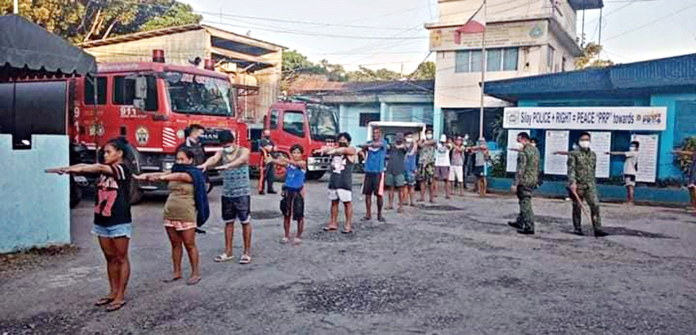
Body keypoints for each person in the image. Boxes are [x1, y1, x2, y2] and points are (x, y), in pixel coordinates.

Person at [46, 137, 133, 312]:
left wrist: (67, 168)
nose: (105, 155)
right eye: (104, 152)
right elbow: (87, 168)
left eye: (108, 152)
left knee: (121, 258)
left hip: (119, 220)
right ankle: (112, 292)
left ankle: (120, 295)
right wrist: (68, 170)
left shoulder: (122, 169)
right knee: (110, 258)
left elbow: (98, 167)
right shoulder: (103, 171)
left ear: (120, 153)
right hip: (101, 220)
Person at [134, 148, 205, 285]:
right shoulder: (173, 172)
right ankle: (176, 272)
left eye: (182, 159)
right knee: (175, 245)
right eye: (177, 159)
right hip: (170, 212)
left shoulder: (194, 174)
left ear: (190, 160)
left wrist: (160, 177)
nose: (179, 162)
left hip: (186, 214)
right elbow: (164, 173)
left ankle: (195, 273)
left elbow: (177, 177)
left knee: (189, 245)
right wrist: (144, 176)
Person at [199, 134, 254, 264]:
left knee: (245, 222)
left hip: (242, 192)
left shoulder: (243, 150)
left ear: (234, 142)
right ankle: (228, 252)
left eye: (228, 145)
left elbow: (241, 160)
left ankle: (246, 252)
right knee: (228, 222)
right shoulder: (221, 152)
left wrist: (228, 166)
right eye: (224, 145)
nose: (226, 148)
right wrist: (205, 164)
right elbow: (214, 159)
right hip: (227, 193)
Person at [568, 132, 608, 237]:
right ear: (579, 141)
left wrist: (593, 182)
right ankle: (577, 228)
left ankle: (597, 228)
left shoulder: (592, 155)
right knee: (577, 207)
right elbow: (571, 169)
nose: (585, 142)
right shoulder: (573, 154)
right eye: (583, 140)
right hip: (578, 184)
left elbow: (593, 170)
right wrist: (572, 182)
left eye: (587, 140)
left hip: (590, 185)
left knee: (595, 205)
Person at [270, 144, 307, 245]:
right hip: (288, 191)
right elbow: (280, 163)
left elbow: (295, 164)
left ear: (301, 154)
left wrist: (285, 160)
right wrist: (271, 160)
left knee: (299, 215)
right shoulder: (289, 164)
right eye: (294, 152)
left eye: (298, 152)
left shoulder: (303, 163)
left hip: (297, 192)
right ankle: (286, 235)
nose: (296, 154)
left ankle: (298, 236)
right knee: (286, 214)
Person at [321, 133, 358, 233]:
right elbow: (325, 148)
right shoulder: (335, 151)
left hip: (344, 182)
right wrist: (324, 150)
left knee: (347, 203)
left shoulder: (351, 150)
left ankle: (348, 225)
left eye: (344, 140)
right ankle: (333, 223)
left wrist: (332, 150)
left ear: (348, 141)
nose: (342, 142)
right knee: (334, 202)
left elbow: (344, 150)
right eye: (340, 140)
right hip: (334, 181)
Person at [177, 124, 208, 234]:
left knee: (198, 201)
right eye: (200, 132)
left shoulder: (200, 145)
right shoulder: (183, 147)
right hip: (188, 177)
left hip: (199, 176)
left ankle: (195, 223)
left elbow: (204, 161)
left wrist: (206, 178)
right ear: (193, 132)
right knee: (188, 201)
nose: (201, 135)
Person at [508, 132, 541, 235]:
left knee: (525, 203)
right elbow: (538, 166)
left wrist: (515, 183)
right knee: (523, 201)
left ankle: (529, 226)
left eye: (519, 140)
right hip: (532, 179)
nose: (518, 143)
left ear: (523, 139)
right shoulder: (536, 150)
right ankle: (520, 221)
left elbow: (520, 169)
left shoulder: (523, 152)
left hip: (524, 180)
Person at [360, 127, 387, 222]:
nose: (375, 134)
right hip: (368, 170)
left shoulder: (383, 142)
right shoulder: (369, 142)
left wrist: (366, 145)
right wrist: (363, 153)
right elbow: (362, 150)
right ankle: (368, 214)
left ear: (380, 134)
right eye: (374, 133)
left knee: (379, 194)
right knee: (367, 193)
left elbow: (377, 145)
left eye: (377, 133)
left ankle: (379, 214)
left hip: (378, 171)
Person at [384, 132, 407, 213]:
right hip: (390, 169)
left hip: (399, 170)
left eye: (401, 137)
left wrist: (396, 146)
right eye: (398, 137)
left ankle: (400, 206)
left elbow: (404, 148)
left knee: (400, 189)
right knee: (391, 188)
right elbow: (387, 147)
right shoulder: (392, 146)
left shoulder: (404, 146)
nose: (399, 138)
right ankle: (390, 204)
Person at [417, 128, 436, 203]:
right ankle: (422, 197)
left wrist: (424, 143)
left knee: (430, 182)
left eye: (430, 133)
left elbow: (430, 143)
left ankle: (431, 198)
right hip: (422, 163)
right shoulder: (422, 141)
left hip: (430, 163)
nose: (429, 134)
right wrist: (422, 142)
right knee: (422, 181)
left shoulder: (433, 141)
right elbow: (419, 144)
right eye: (428, 133)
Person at [434, 135, 452, 199]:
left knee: (446, 179)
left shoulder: (449, 145)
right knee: (435, 178)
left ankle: (447, 193)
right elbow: (435, 146)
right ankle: (435, 192)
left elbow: (449, 147)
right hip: (437, 163)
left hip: (445, 163)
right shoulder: (438, 145)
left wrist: (446, 144)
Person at [259, 129, 276, 195]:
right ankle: (261, 189)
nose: (268, 135)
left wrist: (272, 148)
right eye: (266, 133)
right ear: (263, 134)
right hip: (264, 159)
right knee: (263, 175)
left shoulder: (271, 141)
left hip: (271, 159)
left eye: (268, 133)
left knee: (271, 175)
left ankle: (270, 189)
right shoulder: (262, 141)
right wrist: (272, 148)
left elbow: (275, 148)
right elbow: (268, 148)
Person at [403, 133, 418, 206]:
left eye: (411, 137)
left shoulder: (414, 145)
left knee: (411, 186)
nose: (409, 138)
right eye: (408, 137)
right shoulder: (403, 146)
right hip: (404, 168)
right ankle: (405, 200)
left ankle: (412, 201)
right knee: (404, 185)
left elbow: (415, 148)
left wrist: (414, 141)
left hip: (411, 168)